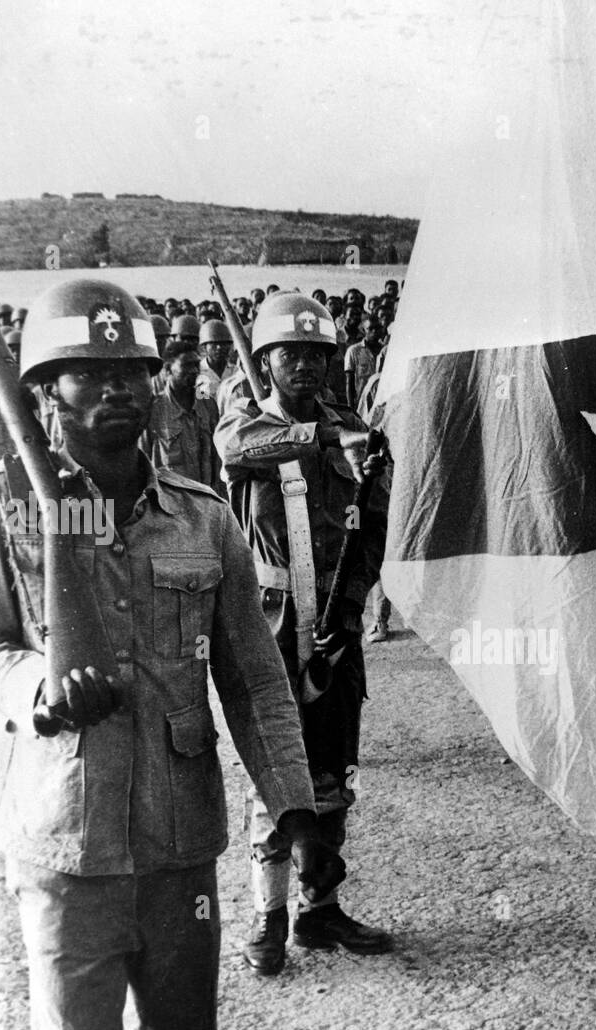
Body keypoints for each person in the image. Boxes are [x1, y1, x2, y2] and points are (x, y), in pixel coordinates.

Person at [0, 278, 341, 1030]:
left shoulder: (203, 519)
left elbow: (254, 675)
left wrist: (295, 804)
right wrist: (36, 692)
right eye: (85, 376)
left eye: (129, 374)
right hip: (64, 850)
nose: (112, 392)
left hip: (179, 844)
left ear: (155, 387)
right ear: (47, 394)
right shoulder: (9, 513)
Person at [215, 292, 393, 975]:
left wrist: (349, 613)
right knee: (275, 776)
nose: (306, 367)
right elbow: (236, 447)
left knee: (330, 777)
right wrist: (317, 437)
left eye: (317, 355)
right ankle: (270, 914)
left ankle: (322, 910)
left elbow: (373, 525)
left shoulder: (356, 430)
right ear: (264, 360)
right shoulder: (248, 430)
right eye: (290, 354)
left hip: (334, 628)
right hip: (270, 629)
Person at [143, 342, 222, 493]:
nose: (194, 371)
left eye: (196, 365)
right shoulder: (153, 410)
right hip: (168, 504)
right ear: (167, 370)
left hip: (205, 499)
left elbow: (217, 461)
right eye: (186, 365)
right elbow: (143, 461)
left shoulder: (208, 405)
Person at [343, 319, 382, 413]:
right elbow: (349, 382)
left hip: (381, 402)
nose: (374, 331)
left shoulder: (385, 351)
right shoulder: (353, 351)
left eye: (377, 328)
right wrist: (351, 407)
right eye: (370, 329)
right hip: (361, 404)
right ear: (364, 330)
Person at [196, 318, 236, 402]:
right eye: (214, 343)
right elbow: (202, 404)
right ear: (204, 347)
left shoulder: (236, 372)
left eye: (223, 343)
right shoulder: (198, 373)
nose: (219, 348)